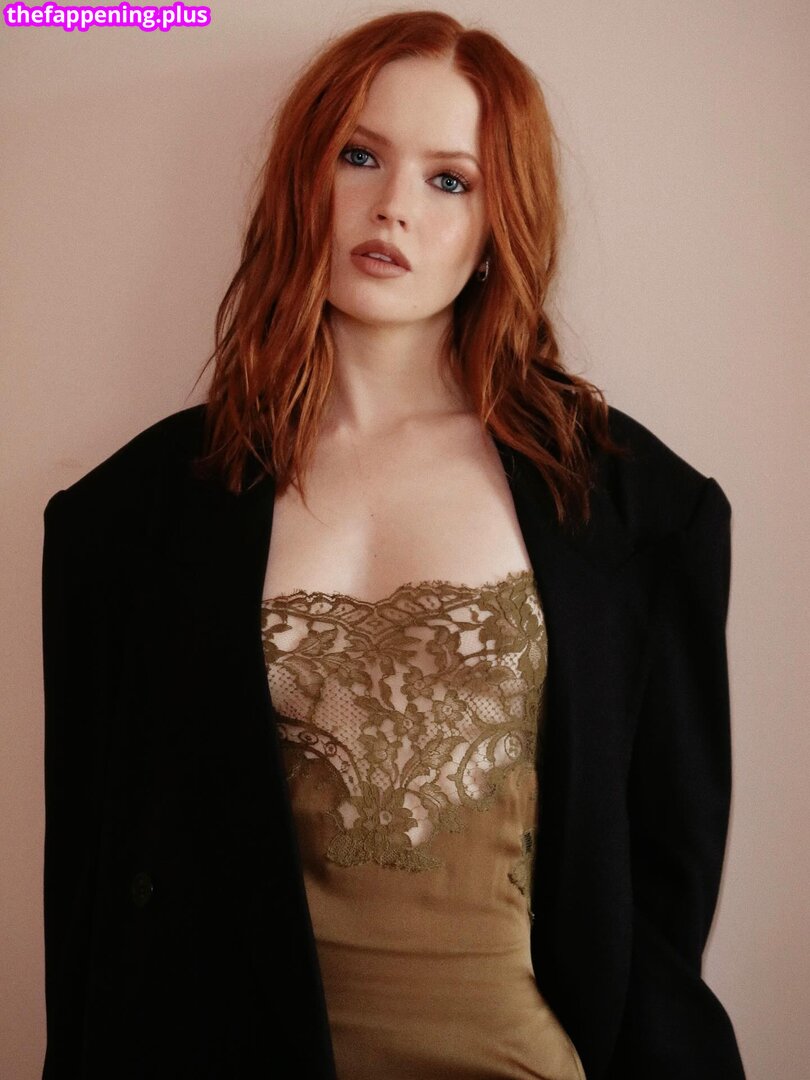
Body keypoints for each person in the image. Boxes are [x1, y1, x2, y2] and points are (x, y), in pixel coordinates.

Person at [40, 9, 746, 1079]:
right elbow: (94, 899)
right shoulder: (127, 520)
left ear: (499, 226)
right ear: (302, 179)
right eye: (359, 156)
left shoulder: (638, 511)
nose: (393, 208)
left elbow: (664, 883)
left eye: (450, 180)